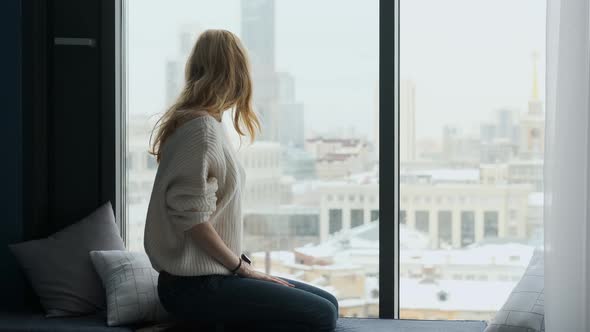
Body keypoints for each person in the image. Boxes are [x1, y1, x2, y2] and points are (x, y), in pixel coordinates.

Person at [143, 29, 338, 332]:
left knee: (329, 304)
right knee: (321, 315)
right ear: (235, 73)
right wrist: (242, 270)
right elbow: (192, 220)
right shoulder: (201, 129)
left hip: (210, 278)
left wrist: (240, 269)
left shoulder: (206, 124)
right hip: (193, 287)